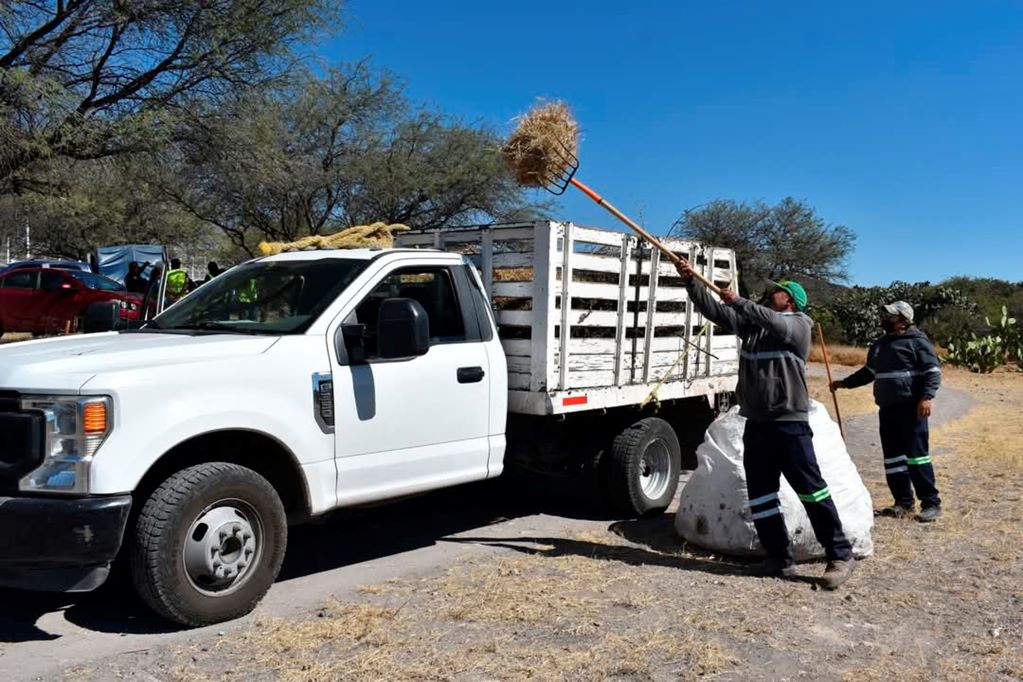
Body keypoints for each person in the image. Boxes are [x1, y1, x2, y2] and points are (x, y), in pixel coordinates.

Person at [676, 258, 855, 589]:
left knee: (812, 491)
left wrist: (740, 301)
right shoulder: (752, 327)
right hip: (756, 422)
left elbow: (775, 323)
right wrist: (691, 282)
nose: (770, 291)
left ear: (789, 300)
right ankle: (778, 557)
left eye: (777, 291)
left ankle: (840, 554)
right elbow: (715, 313)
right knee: (761, 495)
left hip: (789, 424)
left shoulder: (799, 324)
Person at [831, 301, 943, 522]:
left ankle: (931, 503)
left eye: (891, 316)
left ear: (903, 320)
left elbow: (932, 371)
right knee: (893, 459)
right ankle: (903, 503)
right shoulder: (880, 345)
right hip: (887, 409)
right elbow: (869, 372)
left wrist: (926, 397)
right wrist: (844, 383)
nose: (885, 319)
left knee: (917, 458)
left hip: (912, 409)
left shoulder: (918, 342)